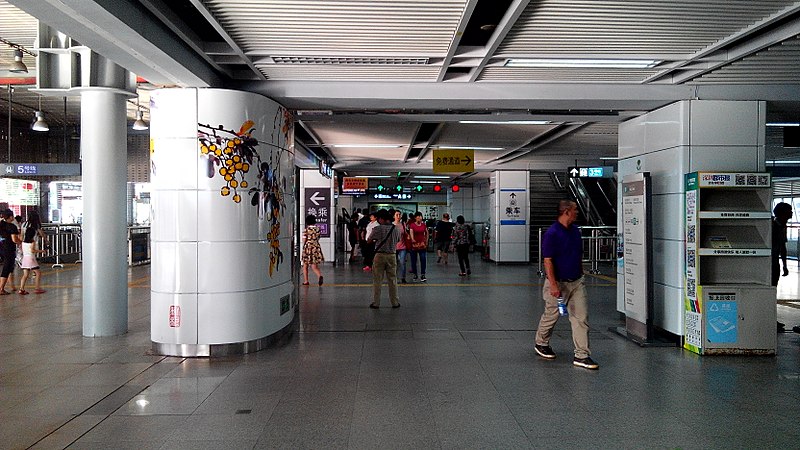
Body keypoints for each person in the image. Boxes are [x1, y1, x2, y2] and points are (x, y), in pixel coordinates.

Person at [534, 200, 598, 370]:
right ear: (566, 212)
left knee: (580, 317)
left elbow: (577, 253)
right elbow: (548, 261)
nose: (577, 212)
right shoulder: (552, 233)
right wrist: (554, 285)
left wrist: (581, 272)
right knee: (552, 315)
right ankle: (541, 342)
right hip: (558, 283)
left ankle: (582, 355)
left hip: (576, 282)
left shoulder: (575, 231)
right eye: (575, 210)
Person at [367, 209, 402, 309]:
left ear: (382, 219)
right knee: (392, 280)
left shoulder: (377, 229)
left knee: (377, 280)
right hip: (392, 255)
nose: (378, 221)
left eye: (379, 219)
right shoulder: (396, 229)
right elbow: (398, 240)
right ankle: (395, 302)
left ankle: (376, 303)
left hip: (380, 256)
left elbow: (369, 240)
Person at [772, 202, 792, 332]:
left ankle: (772, 318)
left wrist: (784, 265)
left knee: (773, 291)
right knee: (771, 291)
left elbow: (783, 248)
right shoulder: (773, 226)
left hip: (775, 263)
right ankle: (770, 319)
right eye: (789, 211)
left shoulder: (782, 226)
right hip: (770, 263)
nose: (791, 213)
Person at [17, 224, 46, 295]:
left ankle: (21, 289)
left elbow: (22, 250)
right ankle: (37, 288)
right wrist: (41, 251)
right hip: (31, 259)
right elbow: (32, 250)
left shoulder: (23, 242)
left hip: (25, 259)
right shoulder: (32, 242)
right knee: (38, 273)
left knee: (25, 275)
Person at [0, 209, 22, 295]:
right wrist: (21, 242)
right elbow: (14, 239)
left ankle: (8, 286)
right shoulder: (11, 226)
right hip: (9, 248)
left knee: (7, 267)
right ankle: (1, 288)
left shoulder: (1, 225)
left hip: (1, 248)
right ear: (11, 217)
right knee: (7, 267)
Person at [302, 215, 324, 285]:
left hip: (308, 247)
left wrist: (304, 244)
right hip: (316, 247)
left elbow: (304, 239)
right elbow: (318, 238)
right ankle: (319, 275)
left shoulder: (306, 230)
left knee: (305, 265)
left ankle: (306, 281)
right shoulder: (318, 229)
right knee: (314, 266)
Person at [408, 211, 428, 282]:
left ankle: (423, 274)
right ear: (415, 218)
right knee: (414, 260)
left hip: (422, 245)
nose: (420, 218)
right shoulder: (412, 225)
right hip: (414, 245)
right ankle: (415, 274)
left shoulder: (423, 225)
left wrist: (426, 241)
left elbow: (426, 232)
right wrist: (413, 239)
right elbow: (411, 232)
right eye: (418, 216)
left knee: (423, 259)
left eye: (420, 216)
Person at [393, 210, 409, 283]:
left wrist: (408, 236)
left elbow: (406, 233)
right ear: (394, 216)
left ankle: (403, 277)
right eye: (397, 215)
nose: (398, 216)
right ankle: (393, 277)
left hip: (402, 247)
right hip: (393, 247)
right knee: (393, 263)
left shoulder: (403, 224)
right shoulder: (391, 225)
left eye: (399, 215)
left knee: (402, 262)